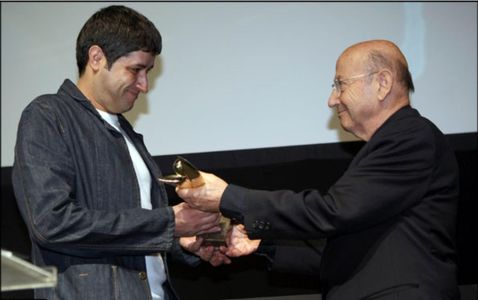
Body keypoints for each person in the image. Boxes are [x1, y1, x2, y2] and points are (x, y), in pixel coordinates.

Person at [177, 40, 460, 300]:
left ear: (383, 82)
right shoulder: (390, 146)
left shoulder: (410, 136)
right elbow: (347, 248)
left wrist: (228, 197)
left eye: (340, 84)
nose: (332, 99)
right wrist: (261, 244)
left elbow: (333, 212)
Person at [12, 5, 229, 300]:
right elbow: (51, 224)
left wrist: (182, 241)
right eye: (136, 69)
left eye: (148, 72)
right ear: (97, 57)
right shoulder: (48, 116)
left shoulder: (126, 134)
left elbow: (131, 238)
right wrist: (168, 223)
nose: (145, 85)